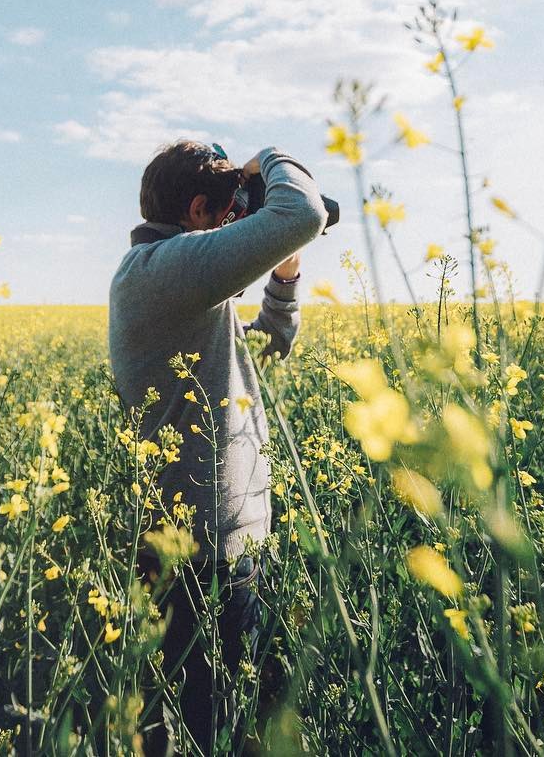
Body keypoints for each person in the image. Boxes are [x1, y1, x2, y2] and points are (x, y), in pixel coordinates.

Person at [109, 141, 328, 756]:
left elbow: (263, 348)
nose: (237, 228)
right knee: (206, 729)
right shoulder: (162, 271)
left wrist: (284, 271)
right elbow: (302, 213)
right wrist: (270, 158)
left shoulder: (178, 285)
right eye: (232, 213)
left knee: (227, 717)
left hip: (224, 536)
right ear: (200, 210)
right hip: (196, 547)